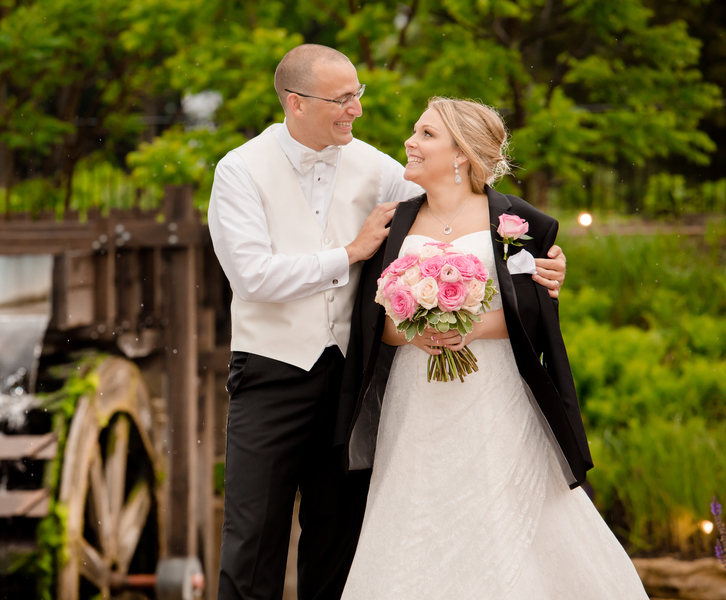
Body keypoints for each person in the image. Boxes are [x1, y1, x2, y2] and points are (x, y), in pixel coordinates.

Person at [208, 45, 567, 600]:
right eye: (342, 98)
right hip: (270, 375)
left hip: (353, 380)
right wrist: (350, 253)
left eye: (358, 94)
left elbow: (458, 209)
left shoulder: (376, 166)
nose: (356, 109)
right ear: (296, 103)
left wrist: (538, 258)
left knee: (338, 541)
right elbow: (252, 277)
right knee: (252, 541)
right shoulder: (239, 170)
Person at [338, 97, 648, 599]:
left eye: (425, 135)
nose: (409, 144)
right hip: (414, 398)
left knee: (495, 503)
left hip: (494, 389)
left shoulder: (518, 225)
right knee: (415, 506)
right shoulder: (394, 224)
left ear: (461, 154)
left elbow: (535, 314)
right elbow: (375, 322)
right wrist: (417, 332)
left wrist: (473, 329)